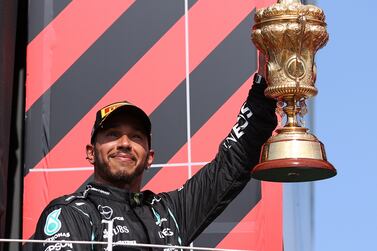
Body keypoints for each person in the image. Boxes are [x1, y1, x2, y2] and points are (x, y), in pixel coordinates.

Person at [33, 57, 277, 251]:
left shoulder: (168, 212)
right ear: (90, 153)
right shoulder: (71, 212)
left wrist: (264, 84)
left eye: (136, 136)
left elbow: (232, 164)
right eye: (112, 135)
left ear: (149, 157)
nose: (125, 143)